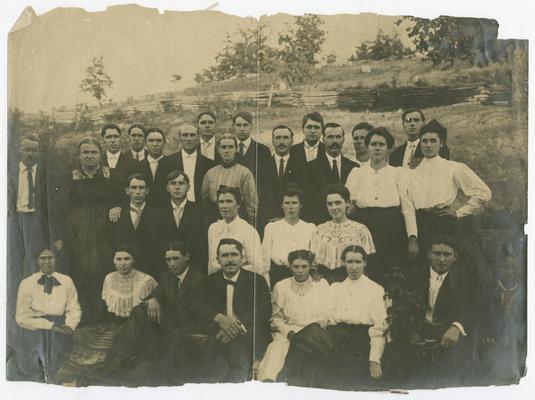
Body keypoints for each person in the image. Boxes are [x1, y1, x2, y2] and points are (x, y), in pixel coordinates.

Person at [285, 245, 388, 388]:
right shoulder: (336, 288)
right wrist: (327, 319)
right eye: (349, 262)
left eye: (358, 262)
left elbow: (379, 329)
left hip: (360, 338)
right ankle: (294, 386)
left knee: (307, 340)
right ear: (343, 263)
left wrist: (374, 359)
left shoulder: (375, 289)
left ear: (365, 263)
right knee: (304, 338)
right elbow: (331, 314)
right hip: (337, 335)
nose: (353, 267)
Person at [52, 246, 157, 385]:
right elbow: (106, 306)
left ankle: (102, 371)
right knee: (85, 334)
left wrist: (152, 300)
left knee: (111, 339)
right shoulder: (109, 278)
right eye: (118, 259)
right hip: (111, 321)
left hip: (133, 324)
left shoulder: (146, 280)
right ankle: (76, 372)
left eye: (127, 259)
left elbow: (151, 305)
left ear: (134, 260)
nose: (122, 263)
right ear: (113, 261)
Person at [106, 241, 205, 384]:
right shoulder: (166, 276)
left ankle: (118, 360)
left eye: (176, 258)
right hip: (170, 322)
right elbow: (154, 294)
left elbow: (199, 312)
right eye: (168, 260)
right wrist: (153, 300)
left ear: (187, 257)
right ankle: (119, 359)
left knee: (140, 314)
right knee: (140, 310)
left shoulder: (199, 279)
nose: (172, 264)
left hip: (188, 325)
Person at [54, 136, 123, 325]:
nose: (90, 156)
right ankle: (85, 316)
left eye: (93, 152)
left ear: (100, 154)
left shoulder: (111, 176)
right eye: (85, 152)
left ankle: (106, 315)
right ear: (79, 155)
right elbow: (59, 208)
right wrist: (60, 237)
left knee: (104, 268)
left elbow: (123, 199)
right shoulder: (70, 178)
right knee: (81, 270)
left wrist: (118, 206)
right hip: (78, 233)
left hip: (105, 232)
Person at [190, 238, 272, 382]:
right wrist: (219, 318)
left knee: (238, 362)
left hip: (249, 335)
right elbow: (195, 304)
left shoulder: (256, 280)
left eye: (234, 255)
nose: (230, 260)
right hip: (219, 334)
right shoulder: (209, 281)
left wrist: (236, 327)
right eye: (225, 255)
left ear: (242, 258)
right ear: (217, 260)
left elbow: (263, 311)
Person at [345, 127, 418, 283]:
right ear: (367, 147)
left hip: (391, 227)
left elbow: (407, 207)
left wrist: (412, 238)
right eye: (373, 144)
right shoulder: (357, 173)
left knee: (391, 271)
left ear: (389, 148)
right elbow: (349, 205)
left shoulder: (398, 173)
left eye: (381, 144)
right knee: (367, 270)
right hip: (364, 226)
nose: (377, 148)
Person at [408, 119, 491, 254]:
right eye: (424, 141)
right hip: (420, 224)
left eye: (433, 141)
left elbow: (483, 193)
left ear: (441, 143)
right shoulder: (412, 173)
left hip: (444, 223)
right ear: (420, 143)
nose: (428, 145)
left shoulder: (453, 168)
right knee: (422, 265)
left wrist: (459, 212)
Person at [405, 235, 478, 385]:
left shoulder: (465, 279)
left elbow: (473, 307)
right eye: (437, 254)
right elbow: (403, 306)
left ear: (455, 257)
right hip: (417, 334)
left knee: (454, 375)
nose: (441, 259)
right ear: (428, 254)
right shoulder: (413, 276)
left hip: (447, 335)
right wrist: (410, 330)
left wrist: (457, 326)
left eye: (447, 254)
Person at [257, 250, 330, 382]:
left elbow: (327, 311)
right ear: (290, 266)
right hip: (289, 331)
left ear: (310, 267)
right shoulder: (281, 286)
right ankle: (269, 382)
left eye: (304, 266)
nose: (300, 270)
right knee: (277, 348)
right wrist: (288, 332)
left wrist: (323, 322)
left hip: (313, 331)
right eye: (296, 266)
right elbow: (276, 318)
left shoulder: (321, 284)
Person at [13, 249, 81, 381]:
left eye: (50, 258)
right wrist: (50, 326)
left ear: (57, 259)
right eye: (42, 258)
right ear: (37, 260)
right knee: (34, 366)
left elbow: (74, 308)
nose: (46, 262)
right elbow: (21, 317)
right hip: (34, 328)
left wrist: (70, 325)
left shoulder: (66, 281)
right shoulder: (27, 283)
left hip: (61, 328)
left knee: (63, 365)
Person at [309, 184, 375, 283]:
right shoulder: (319, 231)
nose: (334, 207)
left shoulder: (360, 230)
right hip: (324, 282)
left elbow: (368, 264)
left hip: (351, 281)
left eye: (338, 203)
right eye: (330, 204)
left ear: (347, 202)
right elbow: (314, 263)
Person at [303, 122, 358, 224]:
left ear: (343, 139)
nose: (334, 141)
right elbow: (308, 201)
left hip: (347, 223)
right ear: (323, 140)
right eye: (330, 137)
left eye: (338, 137)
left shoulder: (353, 168)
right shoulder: (310, 168)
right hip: (319, 223)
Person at [262, 185, 315, 288]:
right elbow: (265, 257)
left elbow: (312, 255)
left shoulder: (310, 228)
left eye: (294, 203)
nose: (290, 207)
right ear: (282, 205)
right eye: (287, 203)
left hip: (303, 274)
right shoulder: (271, 227)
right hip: (278, 274)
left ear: (301, 205)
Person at [156, 170, 208, 274]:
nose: (177, 187)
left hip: (194, 269)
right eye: (173, 183)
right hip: (165, 270)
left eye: (181, 183)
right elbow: (156, 245)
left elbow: (203, 245)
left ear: (188, 187)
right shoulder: (158, 213)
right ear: (167, 188)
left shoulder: (200, 212)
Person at [207, 187, 264, 279]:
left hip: (242, 283)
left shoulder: (249, 231)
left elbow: (257, 267)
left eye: (229, 201)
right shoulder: (213, 228)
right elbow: (211, 264)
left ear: (238, 204)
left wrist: (231, 272)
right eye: (221, 202)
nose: (224, 206)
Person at [201, 134, 258, 226]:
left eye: (230, 147)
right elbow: (205, 199)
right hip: (214, 220)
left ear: (236, 149)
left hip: (238, 220)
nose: (227, 151)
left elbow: (251, 203)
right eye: (223, 147)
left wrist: (250, 224)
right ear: (218, 150)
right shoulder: (211, 173)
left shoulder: (244, 173)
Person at [112, 173, 160, 278]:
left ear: (147, 191)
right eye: (133, 188)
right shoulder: (118, 214)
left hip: (150, 271)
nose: (138, 192)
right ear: (127, 190)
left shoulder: (157, 215)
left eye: (141, 188)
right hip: (124, 271)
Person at [232, 111, 273, 233]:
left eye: (245, 125)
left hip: (256, 207)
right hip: (233, 206)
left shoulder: (263, 150)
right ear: (233, 126)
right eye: (238, 125)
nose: (242, 129)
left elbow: (267, 182)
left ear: (251, 126)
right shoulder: (227, 148)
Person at [155, 123, 215, 205]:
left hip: (201, 209)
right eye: (185, 135)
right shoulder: (166, 162)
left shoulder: (209, 163)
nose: (189, 138)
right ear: (180, 137)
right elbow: (160, 189)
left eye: (192, 135)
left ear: (198, 138)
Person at [263, 125, 305, 220]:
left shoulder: (301, 165)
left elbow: (304, 195)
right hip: (269, 220)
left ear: (292, 141)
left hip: (294, 219)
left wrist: (284, 218)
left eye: (285, 138)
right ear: (272, 141)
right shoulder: (263, 166)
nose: (281, 142)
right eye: (278, 138)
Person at [136, 127, 165, 204]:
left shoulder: (172, 164)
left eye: (159, 141)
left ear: (164, 143)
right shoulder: (136, 166)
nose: (155, 144)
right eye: (151, 140)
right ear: (145, 144)